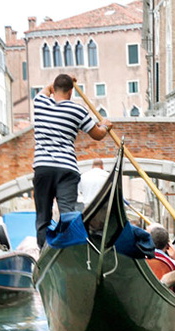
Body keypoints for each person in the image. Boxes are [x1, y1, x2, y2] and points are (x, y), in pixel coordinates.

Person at [32, 73, 113, 249]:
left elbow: (47, 88)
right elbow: (98, 135)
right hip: (66, 168)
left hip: (43, 167)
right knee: (68, 212)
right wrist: (105, 125)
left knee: (42, 216)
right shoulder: (77, 110)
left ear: (54, 89)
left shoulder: (39, 102)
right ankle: (67, 250)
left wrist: (64, 80)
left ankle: (44, 251)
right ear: (71, 92)